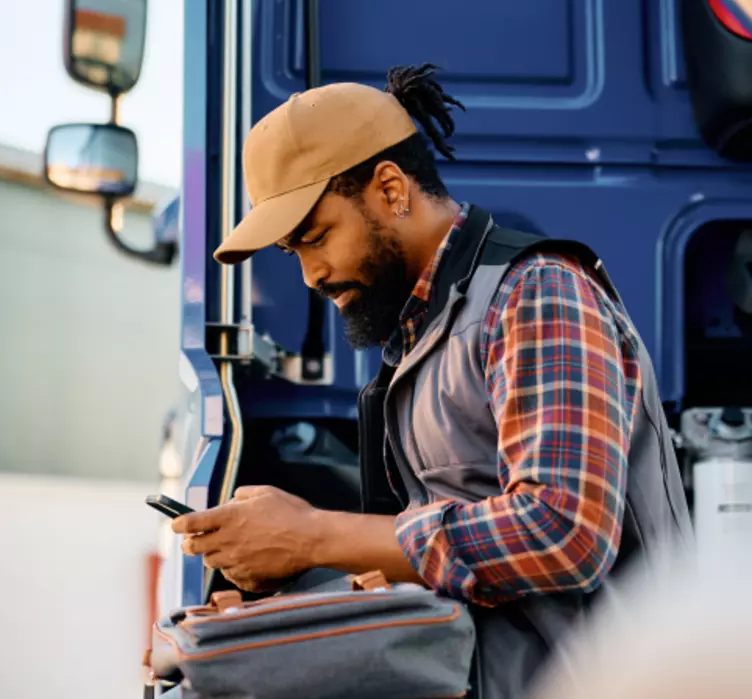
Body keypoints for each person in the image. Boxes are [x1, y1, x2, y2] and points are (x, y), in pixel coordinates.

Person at [171, 64, 694, 698]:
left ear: (391, 188)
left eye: (316, 237)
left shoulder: (537, 294)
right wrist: (278, 564)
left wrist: (311, 535)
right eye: (293, 252)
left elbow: (563, 532)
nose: (310, 274)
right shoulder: (423, 336)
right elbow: (433, 562)